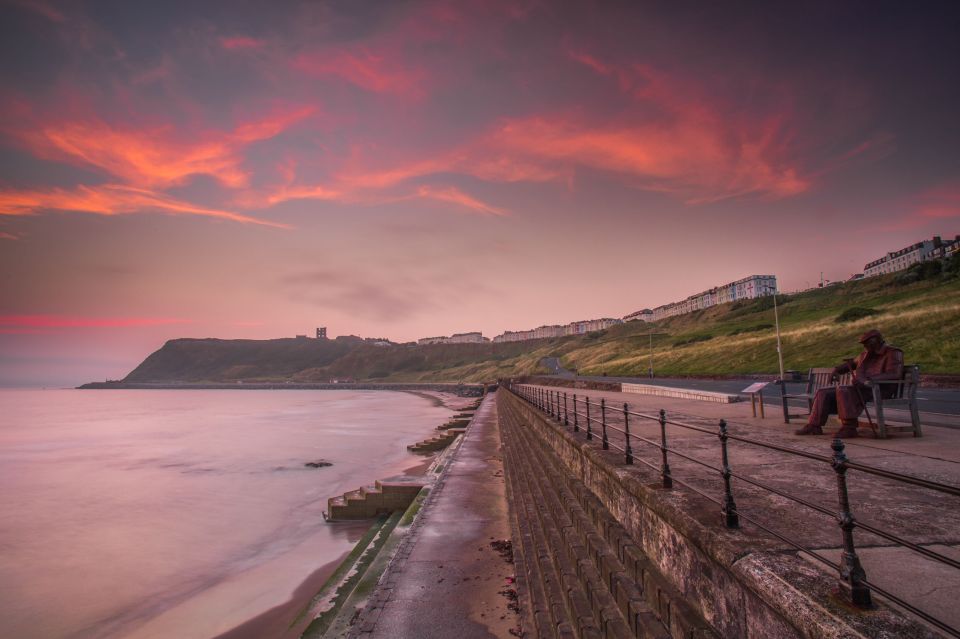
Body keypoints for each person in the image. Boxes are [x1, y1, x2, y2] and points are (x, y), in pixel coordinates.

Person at [794, 329, 904, 438]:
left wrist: (868, 379)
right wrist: (837, 370)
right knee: (823, 392)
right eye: (864, 344)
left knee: (844, 390)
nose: (865, 347)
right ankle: (814, 426)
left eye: (868, 344)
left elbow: (894, 374)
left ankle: (849, 428)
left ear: (877, 341)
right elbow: (852, 363)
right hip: (862, 387)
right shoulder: (867, 354)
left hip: (880, 389)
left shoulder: (893, 352)